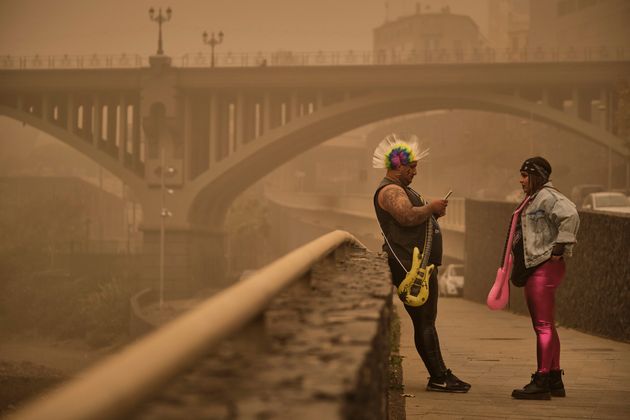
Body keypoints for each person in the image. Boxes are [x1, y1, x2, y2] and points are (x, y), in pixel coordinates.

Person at [372, 133, 471, 393]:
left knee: (426, 321)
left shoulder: (402, 188)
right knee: (424, 321)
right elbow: (405, 216)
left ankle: (440, 374)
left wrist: (432, 212)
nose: (415, 171)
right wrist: (431, 208)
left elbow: (413, 217)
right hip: (409, 267)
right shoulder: (390, 190)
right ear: (397, 166)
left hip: (419, 265)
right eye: (411, 167)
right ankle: (439, 377)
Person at [509, 157, 580, 400]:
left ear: (536, 175)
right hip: (536, 266)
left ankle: (541, 380)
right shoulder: (534, 198)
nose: (521, 180)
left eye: (525, 175)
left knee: (542, 326)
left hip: (544, 266)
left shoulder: (548, 197)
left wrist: (559, 250)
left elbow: (570, 215)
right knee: (547, 324)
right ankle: (554, 379)